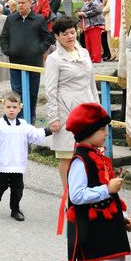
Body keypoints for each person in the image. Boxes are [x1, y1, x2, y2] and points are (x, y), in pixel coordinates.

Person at [64, 102, 131, 261]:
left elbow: (112, 196)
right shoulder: (81, 160)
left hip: (111, 227)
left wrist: (123, 216)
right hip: (94, 229)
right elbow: (76, 196)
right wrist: (106, 189)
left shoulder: (99, 156)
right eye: (102, 129)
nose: (106, 133)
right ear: (89, 132)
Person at [44, 16, 99, 188]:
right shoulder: (54, 58)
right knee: (68, 155)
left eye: (73, 32)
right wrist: (53, 117)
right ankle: (69, 196)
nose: (70, 36)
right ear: (57, 36)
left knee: (88, 154)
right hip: (66, 111)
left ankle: (87, 193)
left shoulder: (84, 52)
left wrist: (98, 109)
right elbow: (50, 90)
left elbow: (91, 82)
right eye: (65, 33)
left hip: (87, 108)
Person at [0, 92, 50, 221]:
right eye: (8, 107)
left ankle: (15, 209)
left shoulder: (24, 125)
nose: (11, 110)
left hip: (17, 163)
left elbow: (35, 134)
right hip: (2, 163)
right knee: (1, 185)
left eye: (14, 107)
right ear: (3, 108)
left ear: (19, 108)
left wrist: (49, 130)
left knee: (18, 188)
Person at [0, 0, 54, 124]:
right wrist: (8, 51)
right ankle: (19, 119)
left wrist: (38, 50)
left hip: (33, 63)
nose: (20, 5)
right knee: (17, 92)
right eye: (18, 2)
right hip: (16, 63)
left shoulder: (39, 19)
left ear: (31, 3)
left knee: (32, 92)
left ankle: (31, 117)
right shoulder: (11, 19)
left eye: (23, 2)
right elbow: (4, 37)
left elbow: (48, 37)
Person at [78, 0, 105, 64]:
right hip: (88, 26)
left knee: (95, 43)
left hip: (94, 25)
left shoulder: (95, 1)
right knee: (88, 42)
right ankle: (91, 58)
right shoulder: (88, 2)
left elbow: (97, 10)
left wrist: (84, 14)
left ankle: (96, 58)